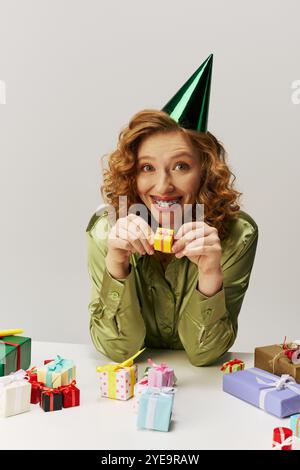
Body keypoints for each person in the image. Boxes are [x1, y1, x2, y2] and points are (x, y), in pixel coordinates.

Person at [86, 55, 259, 366]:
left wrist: (209, 273)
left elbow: (204, 354)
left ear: (205, 170)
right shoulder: (105, 230)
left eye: (181, 166)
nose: (163, 186)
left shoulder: (237, 234)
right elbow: (119, 351)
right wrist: (116, 263)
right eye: (147, 167)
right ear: (131, 174)